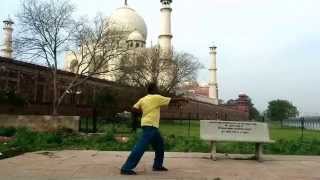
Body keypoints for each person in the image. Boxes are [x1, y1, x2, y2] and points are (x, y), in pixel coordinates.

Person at [120, 83, 187, 175]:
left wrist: (142, 113)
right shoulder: (156, 97)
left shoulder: (143, 99)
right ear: (153, 90)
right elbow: (171, 100)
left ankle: (157, 165)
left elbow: (133, 109)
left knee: (160, 145)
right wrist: (183, 99)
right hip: (150, 126)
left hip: (148, 125)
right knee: (141, 146)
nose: (158, 90)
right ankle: (126, 168)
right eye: (157, 88)